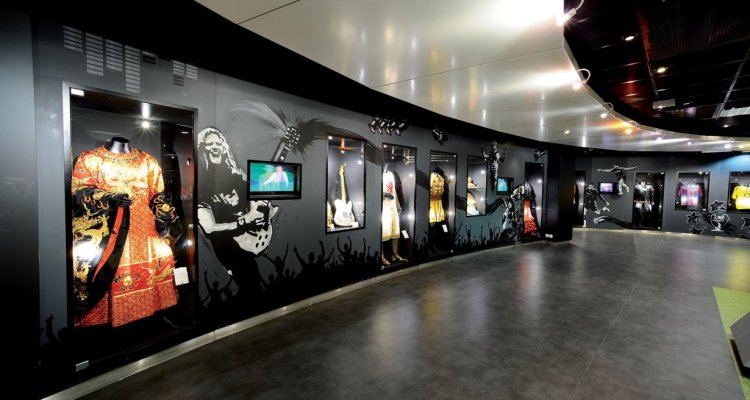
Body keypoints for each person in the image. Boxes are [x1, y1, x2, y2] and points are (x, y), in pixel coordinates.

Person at [71, 136, 179, 327]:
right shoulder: (90, 159)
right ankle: (109, 320)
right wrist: (111, 199)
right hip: (113, 232)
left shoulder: (147, 161)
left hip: (145, 230)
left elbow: (158, 196)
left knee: (153, 268)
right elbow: (78, 193)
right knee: (111, 271)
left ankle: (151, 313)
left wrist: (165, 224)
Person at [196, 127, 278, 299]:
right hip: (227, 246)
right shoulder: (202, 185)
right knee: (250, 285)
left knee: (253, 285)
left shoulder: (236, 177)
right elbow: (209, 228)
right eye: (210, 144)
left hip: (247, 240)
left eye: (218, 143)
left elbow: (256, 196)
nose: (215, 147)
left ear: (224, 147)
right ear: (201, 149)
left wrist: (263, 212)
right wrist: (244, 221)